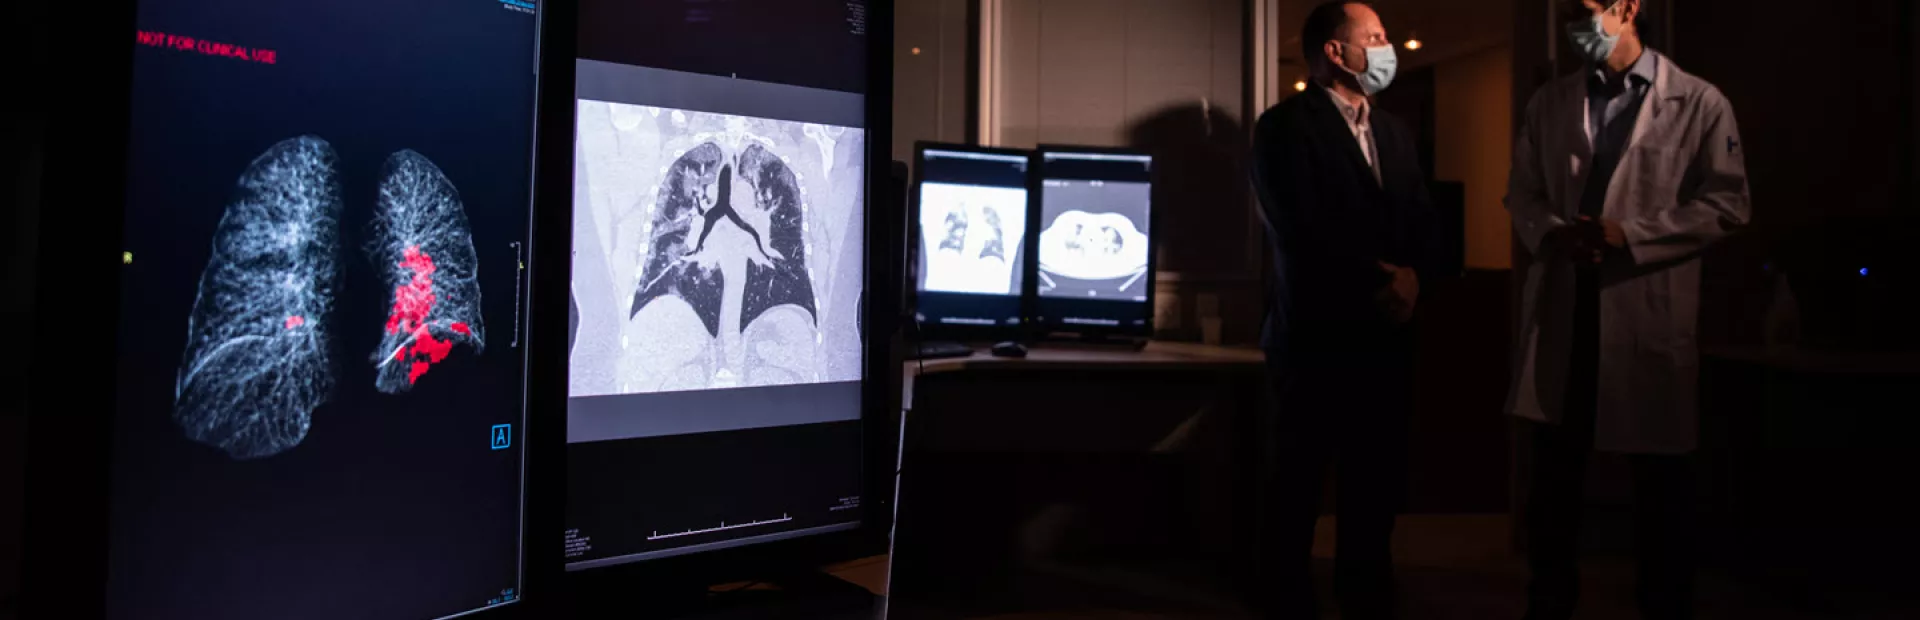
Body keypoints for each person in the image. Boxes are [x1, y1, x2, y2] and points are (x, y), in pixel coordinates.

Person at [1504, 1, 1750, 618]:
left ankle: (1663, 605)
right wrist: (1553, 232)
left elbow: (1726, 203)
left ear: (1627, 7)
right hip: (1570, 305)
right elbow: (1523, 192)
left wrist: (1631, 235)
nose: (1570, 22)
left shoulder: (1697, 101)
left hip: (1645, 307)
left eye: (1583, 8)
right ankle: (1549, 602)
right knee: (1555, 480)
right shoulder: (1550, 103)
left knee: (1662, 484)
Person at [1248, 2, 1444, 617]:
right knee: (1297, 488)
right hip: (1316, 338)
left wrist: (1416, 277)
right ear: (1337, 52)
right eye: (1377, 38)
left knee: (1375, 488)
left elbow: (1420, 220)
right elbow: (1303, 227)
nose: (1387, 49)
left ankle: (1365, 595)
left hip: (1386, 342)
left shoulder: (1394, 131)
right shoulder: (1282, 127)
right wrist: (1380, 283)